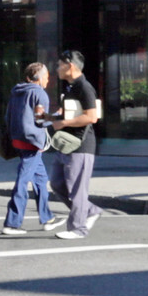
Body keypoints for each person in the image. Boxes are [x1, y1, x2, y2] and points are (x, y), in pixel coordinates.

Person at [46, 50, 103, 239]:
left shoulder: (84, 87)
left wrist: (63, 123)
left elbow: (91, 117)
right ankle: (90, 211)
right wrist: (49, 117)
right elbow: (69, 113)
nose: (57, 68)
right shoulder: (70, 87)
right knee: (57, 183)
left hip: (81, 144)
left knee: (76, 188)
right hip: (67, 144)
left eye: (60, 64)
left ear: (70, 66)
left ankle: (78, 228)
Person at [2, 63, 58, 236]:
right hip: (32, 142)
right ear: (39, 77)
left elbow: (8, 116)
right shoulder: (39, 93)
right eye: (46, 76)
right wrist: (57, 117)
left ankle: (47, 217)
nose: (48, 79)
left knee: (41, 178)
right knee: (23, 180)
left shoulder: (17, 91)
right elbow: (40, 119)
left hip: (18, 139)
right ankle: (12, 222)